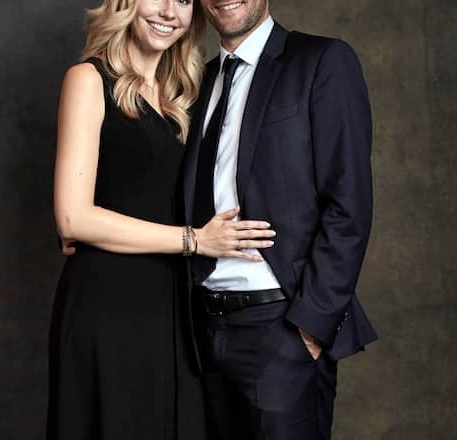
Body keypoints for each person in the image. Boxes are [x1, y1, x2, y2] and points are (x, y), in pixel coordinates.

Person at [50, 1, 277, 439]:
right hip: (109, 306)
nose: (170, 12)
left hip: (177, 307)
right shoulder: (88, 80)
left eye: (185, 0)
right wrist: (194, 240)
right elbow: (72, 217)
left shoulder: (189, 94)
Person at [181, 1, 379, 439]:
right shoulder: (199, 82)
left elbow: (348, 202)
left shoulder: (321, 61)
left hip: (281, 331)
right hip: (203, 336)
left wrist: (309, 329)